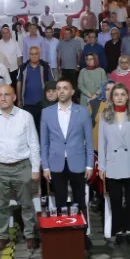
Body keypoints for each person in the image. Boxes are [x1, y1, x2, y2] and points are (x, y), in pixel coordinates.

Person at [0, 85, 41, 251]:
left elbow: (34, 143)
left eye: (7, 95)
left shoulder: (25, 116)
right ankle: (2, 236)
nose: (3, 98)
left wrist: (35, 168)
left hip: (22, 166)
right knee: (1, 205)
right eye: (0, 95)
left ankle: (30, 235)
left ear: (14, 97)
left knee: (27, 203)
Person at [97, 83, 130, 245]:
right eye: (116, 94)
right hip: (112, 164)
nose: (119, 97)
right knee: (116, 200)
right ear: (112, 97)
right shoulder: (105, 116)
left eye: (122, 94)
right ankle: (118, 231)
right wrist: (102, 167)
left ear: (127, 97)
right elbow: (102, 144)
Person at [40, 79, 94, 229]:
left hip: (77, 162)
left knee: (80, 201)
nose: (61, 91)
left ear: (72, 91)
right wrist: (45, 166)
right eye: (58, 88)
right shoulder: (46, 113)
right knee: (60, 201)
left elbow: (89, 141)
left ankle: (82, 235)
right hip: (56, 163)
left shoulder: (82, 111)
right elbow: (44, 143)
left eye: (65, 88)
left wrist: (89, 165)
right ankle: (63, 234)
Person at [15, 45, 54, 130]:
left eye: (36, 54)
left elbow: (52, 84)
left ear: (39, 55)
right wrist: (19, 100)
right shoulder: (23, 67)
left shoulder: (46, 66)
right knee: (29, 128)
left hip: (43, 103)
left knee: (42, 128)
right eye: (32, 54)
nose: (34, 56)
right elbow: (19, 83)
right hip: (27, 103)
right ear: (29, 55)